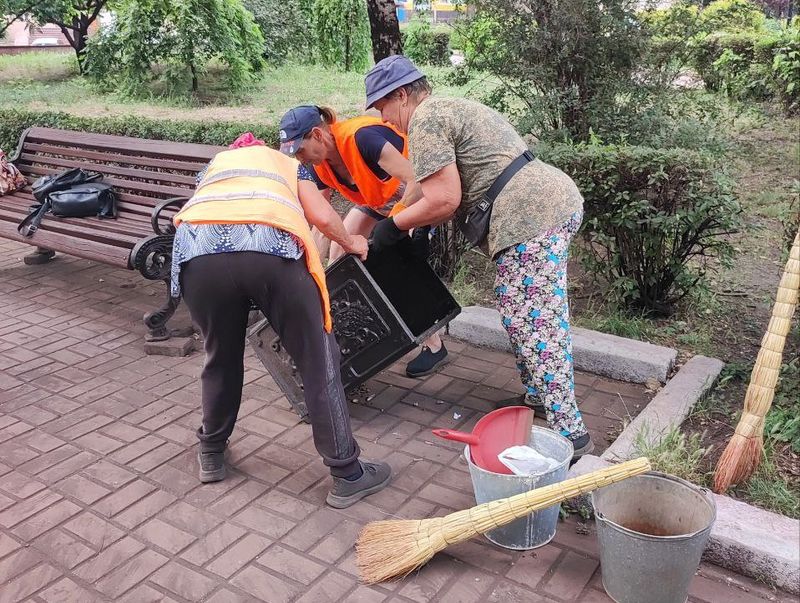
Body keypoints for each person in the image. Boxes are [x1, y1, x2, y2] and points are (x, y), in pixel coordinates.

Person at [364, 56, 594, 458]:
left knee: (536, 321)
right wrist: (396, 217)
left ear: (401, 95)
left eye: (383, 109)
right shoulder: (444, 109)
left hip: (532, 215)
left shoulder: (426, 118)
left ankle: (571, 434)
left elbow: (445, 199)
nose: (386, 121)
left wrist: (395, 228)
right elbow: (422, 184)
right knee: (518, 307)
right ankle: (539, 395)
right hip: (549, 203)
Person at [170, 132, 391, 507]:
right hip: (269, 250)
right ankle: (347, 474)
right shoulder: (289, 165)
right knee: (317, 360)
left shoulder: (216, 167)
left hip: (198, 254)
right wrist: (353, 242)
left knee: (219, 357)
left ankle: (211, 451)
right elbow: (321, 215)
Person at [278, 105, 448, 378]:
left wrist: (395, 224)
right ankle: (339, 329)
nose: (300, 158)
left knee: (393, 265)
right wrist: (306, 270)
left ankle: (434, 345)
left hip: (417, 198)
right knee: (339, 254)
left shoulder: (362, 138)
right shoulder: (319, 165)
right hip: (378, 203)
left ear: (317, 135)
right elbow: (322, 223)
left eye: (300, 149)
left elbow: (418, 178)